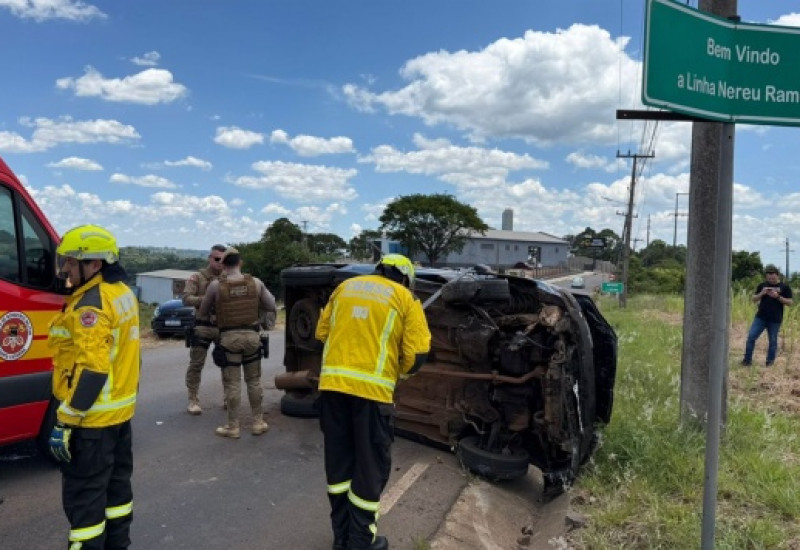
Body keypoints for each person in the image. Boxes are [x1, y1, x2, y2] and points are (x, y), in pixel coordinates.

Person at [315, 254, 431, 550]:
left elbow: (321, 333)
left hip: (332, 391)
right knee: (369, 469)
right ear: (406, 278)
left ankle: (341, 538)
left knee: (339, 468)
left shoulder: (346, 287)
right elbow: (416, 355)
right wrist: (395, 376)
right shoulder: (405, 298)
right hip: (372, 397)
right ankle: (361, 542)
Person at [47, 224, 140, 549]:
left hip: (91, 425)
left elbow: (93, 370)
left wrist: (66, 420)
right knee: (116, 497)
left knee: (84, 504)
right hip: (118, 419)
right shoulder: (123, 294)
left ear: (94, 264)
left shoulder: (91, 305)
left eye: (72, 262)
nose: (67, 269)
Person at [198, 247, 276, 438]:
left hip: (229, 339)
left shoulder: (216, 286)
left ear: (223, 265)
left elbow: (203, 311)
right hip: (252, 337)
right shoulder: (255, 283)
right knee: (254, 381)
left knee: (232, 383)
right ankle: (258, 423)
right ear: (240, 263)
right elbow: (271, 305)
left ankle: (233, 427)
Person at [183, 244, 226, 415]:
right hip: (203, 326)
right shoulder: (198, 277)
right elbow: (186, 299)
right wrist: (206, 299)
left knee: (227, 363)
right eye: (216, 259)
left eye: (223, 259)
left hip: (223, 327)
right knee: (196, 364)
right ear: (210, 258)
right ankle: (193, 399)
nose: (220, 262)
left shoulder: (228, 277)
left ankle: (228, 398)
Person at [742, 264, 793, 367]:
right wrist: (762, 293)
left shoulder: (784, 287)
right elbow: (754, 299)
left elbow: (790, 302)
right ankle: (747, 361)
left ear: (778, 276)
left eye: (772, 275)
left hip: (775, 319)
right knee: (751, 337)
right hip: (760, 317)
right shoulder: (762, 285)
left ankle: (769, 363)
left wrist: (777, 297)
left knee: (773, 342)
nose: (770, 277)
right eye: (768, 275)